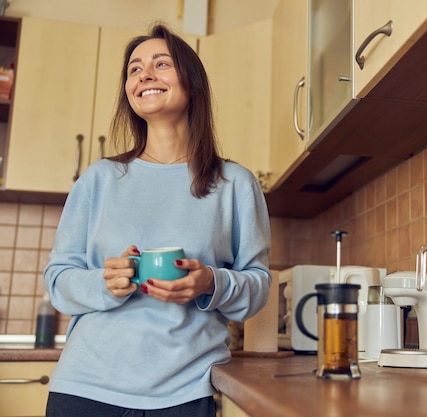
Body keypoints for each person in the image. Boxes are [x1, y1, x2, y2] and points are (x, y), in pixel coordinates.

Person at [43, 23, 271, 417]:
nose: (144, 75)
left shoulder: (235, 183)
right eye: (134, 69)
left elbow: (258, 286)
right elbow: (58, 281)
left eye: (160, 64)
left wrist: (210, 282)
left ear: (192, 82)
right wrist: (105, 281)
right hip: (85, 387)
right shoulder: (98, 179)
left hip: (186, 390)